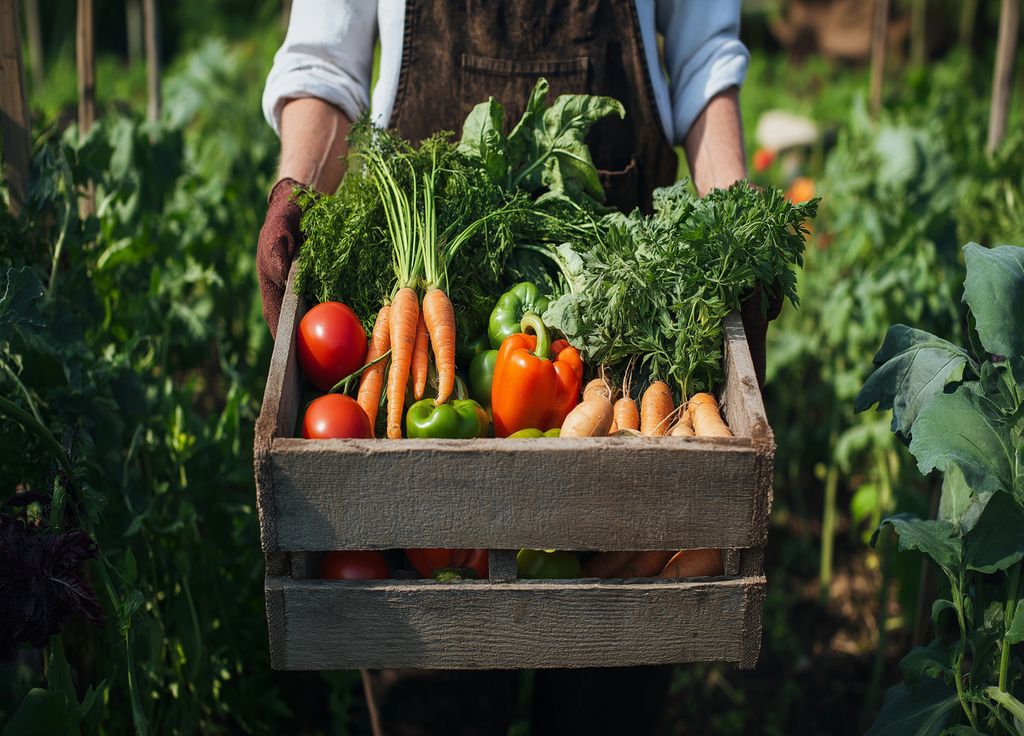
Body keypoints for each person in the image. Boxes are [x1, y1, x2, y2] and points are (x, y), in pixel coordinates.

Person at [257, 1, 762, 732]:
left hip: (614, 293)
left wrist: (733, 215)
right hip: (446, 281)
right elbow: (324, 61)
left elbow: (705, 54)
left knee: (608, 695)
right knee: (435, 700)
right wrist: (295, 187)